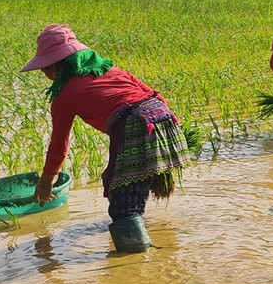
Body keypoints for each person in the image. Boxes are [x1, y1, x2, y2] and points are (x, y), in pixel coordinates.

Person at [20, 25, 191, 254]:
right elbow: (157, 98)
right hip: (163, 119)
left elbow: (59, 144)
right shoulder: (115, 72)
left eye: (44, 69)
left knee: (123, 210)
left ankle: (137, 264)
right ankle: (151, 250)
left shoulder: (65, 95)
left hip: (135, 126)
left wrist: (46, 180)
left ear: (55, 66)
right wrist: (157, 161)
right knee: (124, 191)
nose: (45, 74)